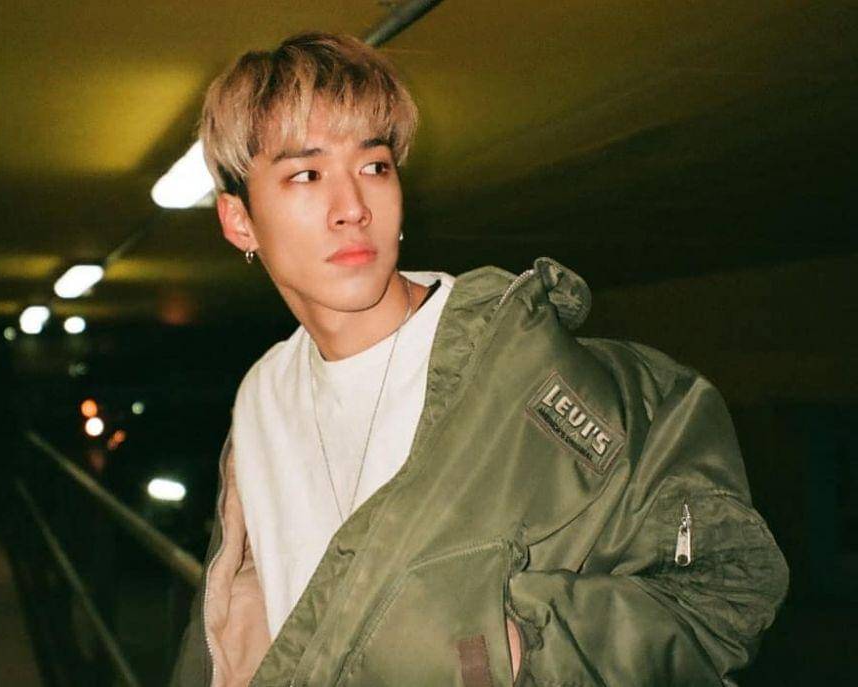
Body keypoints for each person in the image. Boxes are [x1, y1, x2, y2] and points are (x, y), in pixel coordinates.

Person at [171, 32, 788, 687]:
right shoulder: (263, 395)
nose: (353, 208)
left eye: (375, 166)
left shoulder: (536, 383)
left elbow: (726, 593)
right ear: (239, 221)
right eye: (307, 174)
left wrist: (520, 647)